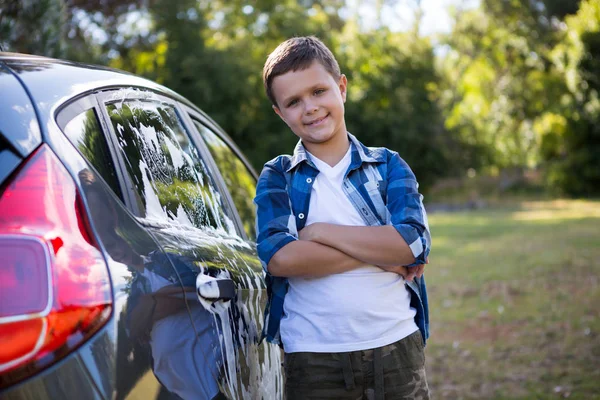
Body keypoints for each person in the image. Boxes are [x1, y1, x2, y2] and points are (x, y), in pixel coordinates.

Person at [254, 36, 432, 400]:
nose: (310, 108)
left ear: (342, 87)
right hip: (313, 357)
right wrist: (382, 253)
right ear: (280, 113)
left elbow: (412, 242)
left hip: (394, 345)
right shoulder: (278, 177)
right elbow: (280, 258)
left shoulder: (388, 165)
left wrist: (318, 232)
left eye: (319, 91)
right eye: (293, 102)